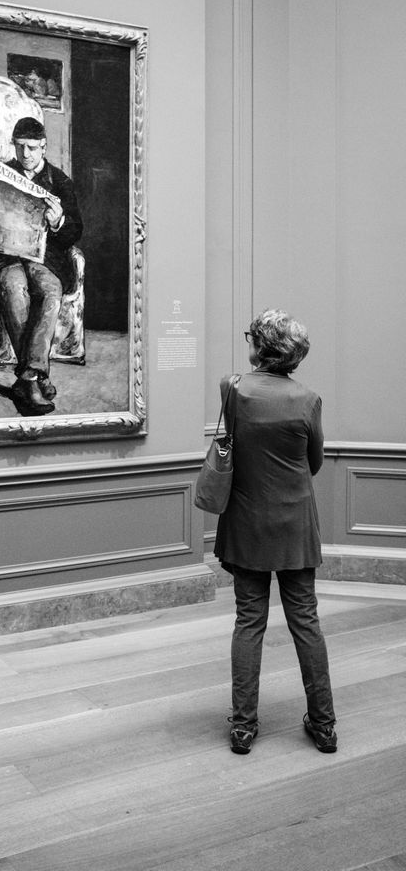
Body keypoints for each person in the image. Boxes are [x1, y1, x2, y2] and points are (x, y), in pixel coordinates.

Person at [214, 309, 337, 755]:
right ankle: (324, 724)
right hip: (295, 524)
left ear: (260, 346)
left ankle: (244, 727)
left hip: (246, 522)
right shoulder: (308, 399)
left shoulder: (234, 389)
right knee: (306, 621)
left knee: (249, 622)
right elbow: (314, 462)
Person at [0, 117, 83, 415]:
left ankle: (27, 377)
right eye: (20, 147)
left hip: (46, 258)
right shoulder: (2, 175)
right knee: (13, 289)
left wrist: (58, 221)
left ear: (44, 147)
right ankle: (37, 376)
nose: (25, 154)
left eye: (32, 148)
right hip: (8, 256)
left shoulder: (60, 181)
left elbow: (75, 230)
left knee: (50, 291)